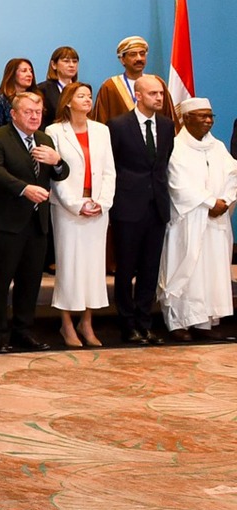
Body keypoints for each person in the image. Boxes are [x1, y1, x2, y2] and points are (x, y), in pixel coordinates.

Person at [0, 89, 66, 352]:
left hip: (37, 223)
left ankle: (23, 331)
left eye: (38, 112)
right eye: (28, 112)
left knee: (30, 282)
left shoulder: (45, 139)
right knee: (1, 281)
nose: (34, 117)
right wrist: (24, 188)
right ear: (14, 114)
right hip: (7, 222)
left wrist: (58, 161)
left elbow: (60, 174)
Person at [158, 98, 237, 341]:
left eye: (211, 116)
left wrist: (224, 199)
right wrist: (209, 202)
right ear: (186, 118)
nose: (208, 121)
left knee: (212, 271)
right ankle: (179, 321)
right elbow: (177, 183)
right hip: (188, 220)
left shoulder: (218, 147)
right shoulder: (176, 148)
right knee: (186, 269)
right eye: (202, 116)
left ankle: (205, 322)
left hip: (216, 222)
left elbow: (232, 174)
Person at [107, 75, 175, 344]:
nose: (159, 98)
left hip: (157, 206)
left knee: (150, 268)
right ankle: (127, 324)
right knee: (126, 268)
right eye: (153, 94)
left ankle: (145, 322)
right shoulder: (118, 125)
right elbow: (112, 165)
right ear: (138, 95)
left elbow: (164, 164)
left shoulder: (168, 126)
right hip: (128, 206)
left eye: (161, 93)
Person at [45, 82, 113, 346]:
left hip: (96, 207)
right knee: (70, 266)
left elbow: (109, 171)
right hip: (68, 209)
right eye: (81, 96)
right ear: (68, 101)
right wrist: (76, 204)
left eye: (89, 96)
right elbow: (55, 175)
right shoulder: (54, 131)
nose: (87, 100)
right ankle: (66, 324)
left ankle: (87, 322)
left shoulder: (101, 131)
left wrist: (101, 202)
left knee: (93, 268)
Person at [94, 35, 173, 124]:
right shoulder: (110, 86)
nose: (139, 58)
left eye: (142, 54)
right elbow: (101, 121)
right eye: (133, 54)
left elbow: (169, 117)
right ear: (122, 59)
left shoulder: (157, 82)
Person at [0, 58, 36, 129]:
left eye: (30, 71)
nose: (29, 74)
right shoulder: (1, 100)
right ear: (12, 74)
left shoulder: (37, 98)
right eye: (24, 71)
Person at [35, 46, 80, 113]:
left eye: (75, 61)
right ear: (54, 65)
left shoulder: (81, 89)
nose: (72, 65)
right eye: (66, 61)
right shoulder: (43, 89)